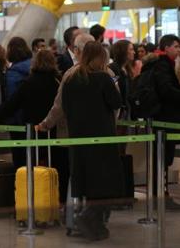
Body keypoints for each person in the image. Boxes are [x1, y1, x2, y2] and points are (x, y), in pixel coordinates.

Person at [62, 41, 123, 241]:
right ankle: (87, 217)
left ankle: (93, 225)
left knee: (86, 183)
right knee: (106, 183)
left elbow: (65, 109)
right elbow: (116, 102)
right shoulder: (103, 79)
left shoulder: (70, 80)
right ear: (100, 58)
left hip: (79, 141)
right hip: (102, 140)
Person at [38, 33, 96, 202]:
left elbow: (59, 105)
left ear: (77, 50)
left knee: (75, 172)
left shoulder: (71, 74)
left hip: (73, 132)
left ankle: (75, 211)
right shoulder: (107, 71)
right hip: (99, 134)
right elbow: (116, 104)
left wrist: (46, 124)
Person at [0, 50, 60, 169]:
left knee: (32, 167)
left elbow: (12, 104)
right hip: (53, 132)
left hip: (32, 131)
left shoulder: (28, 82)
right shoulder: (57, 82)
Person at [150, 34, 180, 209]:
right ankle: (160, 196)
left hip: (165, 118)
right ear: (166, 47)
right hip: (164, 119)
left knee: (164, 159)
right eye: (175, 46)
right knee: (162, 158)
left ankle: (162, 194)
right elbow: (166, 90)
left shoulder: (164, 65)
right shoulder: (162, 66)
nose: (178, 50)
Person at [109, 40, 135, 121]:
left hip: (127, 110)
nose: (134, 52)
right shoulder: (113, 69)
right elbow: (112, 87)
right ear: (123, 51)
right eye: (131, 49)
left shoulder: (127, 68)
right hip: (119, 112)